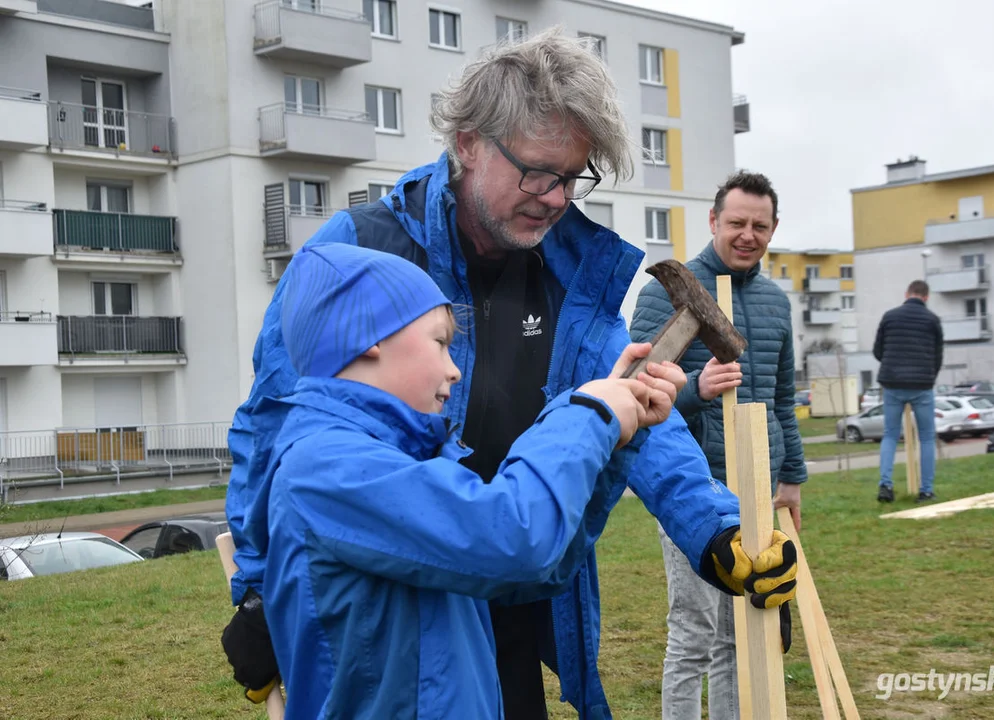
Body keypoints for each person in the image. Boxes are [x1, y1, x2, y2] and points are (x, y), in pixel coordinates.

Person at [222, 29, 797, 719]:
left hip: (517, 576)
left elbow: (635, 407)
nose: (555, 197)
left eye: (573, 176)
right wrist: (258, 592)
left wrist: (713, 528)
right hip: (393, 580)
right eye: (536, 171)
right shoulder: (359, 257)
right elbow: (275, 421)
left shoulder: (568, 276)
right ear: (467, 142)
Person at [248, 242, 683, 718]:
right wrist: (588, 416)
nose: (454, 369)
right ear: (368, 337)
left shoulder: (386, 462)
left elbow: (528, 569)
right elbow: (513, 537)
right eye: (441, 342)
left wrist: (614, 439)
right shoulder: (330, 468)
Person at [630, 171, 807, 720]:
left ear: (773, 228)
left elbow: (782, 398)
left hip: (757, 485)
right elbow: (636, 395)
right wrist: (698, 391)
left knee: (743, 631)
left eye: (760, 225)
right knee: (695, 631)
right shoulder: (667, 292)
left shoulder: (777, 303)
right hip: (693, 485)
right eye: (736, 222)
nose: (747, 234)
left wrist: (792, 475)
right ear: (713, 221)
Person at [872, 279, 943, 503]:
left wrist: (893, 366)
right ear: (926, 297)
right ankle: (926, 490)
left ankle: (885, 485)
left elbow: (878, 350)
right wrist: (928, 374)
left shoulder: (889, 316)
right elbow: (938, 356)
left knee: (890, 435)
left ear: (907, 293)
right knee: (927, 438)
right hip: (922, 385)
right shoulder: (933, 320)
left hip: (892, 383)